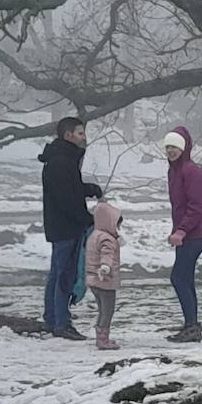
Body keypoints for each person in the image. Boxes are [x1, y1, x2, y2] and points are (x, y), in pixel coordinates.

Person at [39, 117, 102, 339]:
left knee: (58, 273)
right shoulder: (61, 162)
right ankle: (61, 323)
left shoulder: (61, 159)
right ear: (68, 135)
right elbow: (67, 199)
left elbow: (71, 189)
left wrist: (89, 189)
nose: (84, 137)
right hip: (66, 227)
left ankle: (52, 317)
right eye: (80, 133)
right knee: (64, 275)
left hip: (60, 226)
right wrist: (86, 219)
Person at [163, 126, 202, 343]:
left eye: (175, 147)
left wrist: (181, 230)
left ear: (184, 148)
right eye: (168, 147)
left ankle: (192, 326)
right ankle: (191, 324)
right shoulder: (174, 171)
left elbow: (197, 206)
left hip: (195, 234)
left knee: (178, 277)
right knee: (186, 277)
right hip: (186, 233)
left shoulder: (191, 171)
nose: (171, 151)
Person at [86, 200, 123, 351]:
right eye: (116, 225)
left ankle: (100, 337)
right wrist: (105, 267)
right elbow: (106, 255)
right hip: (105, 280)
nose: (118, 229)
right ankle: (103, 339)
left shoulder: (94, 235)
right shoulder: (107, 239)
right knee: (107, 311)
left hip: (93, 279)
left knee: (101, 309)